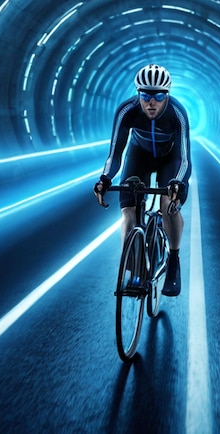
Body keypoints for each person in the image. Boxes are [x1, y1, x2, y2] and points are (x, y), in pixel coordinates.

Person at [93, 63, 191, 296]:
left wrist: (177, 183)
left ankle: (174, 260)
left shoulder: (177, 113)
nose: (151, 102)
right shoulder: (127, 110)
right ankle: (133, 268)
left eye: (158, 95)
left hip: (171, 159)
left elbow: (186, 159)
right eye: (145, 95)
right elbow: (115, 153)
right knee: (128, 212)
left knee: (169, 206)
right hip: (139, 156)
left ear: (167, 94)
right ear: (138, 93)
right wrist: (105, 178)